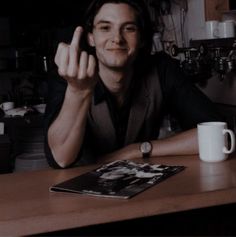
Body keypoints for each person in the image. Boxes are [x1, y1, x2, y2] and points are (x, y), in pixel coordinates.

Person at [44, 0, 222, 169]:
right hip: (82, 195)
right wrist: (78, 90)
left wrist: (136, 150)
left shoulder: (161, 71)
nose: (117, 39)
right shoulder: (71, 75)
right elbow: (61, 159)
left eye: (129, 28)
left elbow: (220, 135)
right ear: (91, 37)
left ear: (142, 38)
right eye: (105, 28)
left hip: (145, 188)